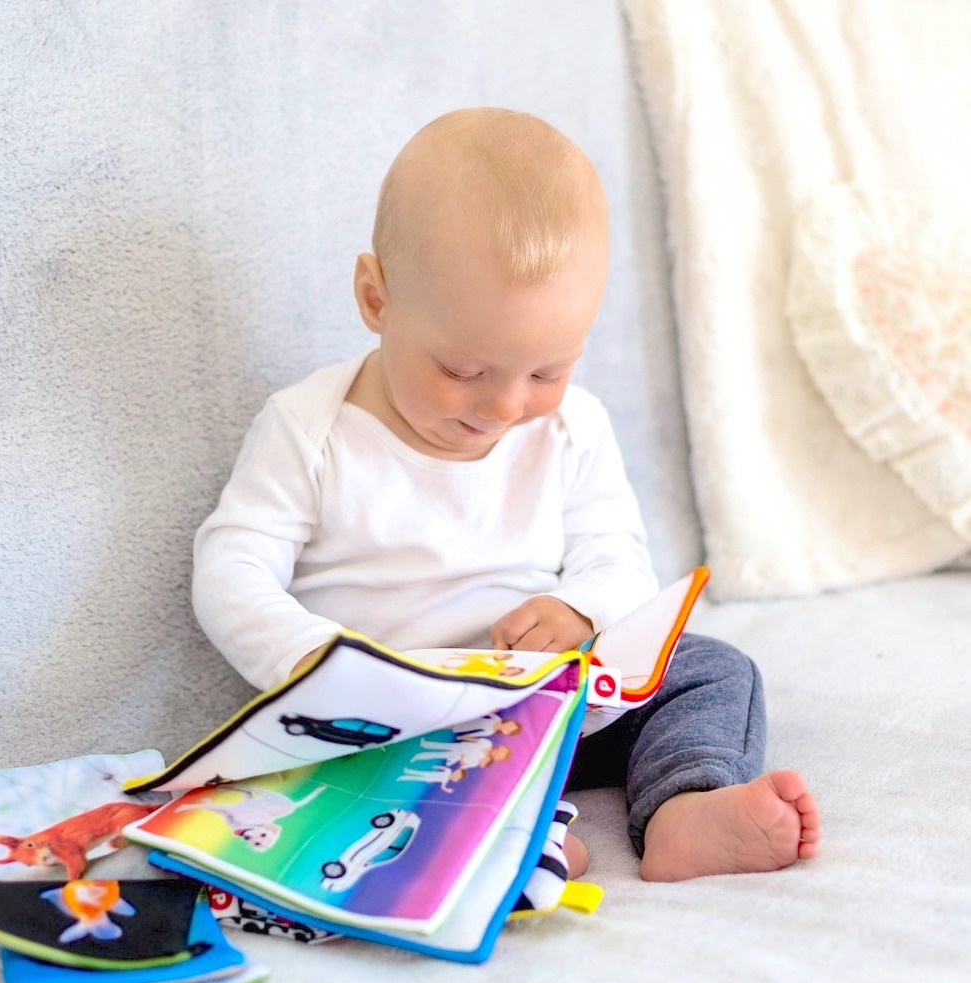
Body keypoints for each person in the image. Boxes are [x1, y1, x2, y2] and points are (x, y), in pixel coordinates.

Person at [192, 107, 821, 881]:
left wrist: (579, 612)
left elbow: (617, 557)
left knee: (712, 671)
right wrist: (319, 666)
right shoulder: (309, 429)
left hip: (543, 707)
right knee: (308, 764)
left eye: (546, 372)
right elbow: (231, 570)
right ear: (376, 298)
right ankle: (498, 834)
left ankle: (681, 807)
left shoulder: (573, 429)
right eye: (461, 371)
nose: (502, 409)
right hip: (387, 721)